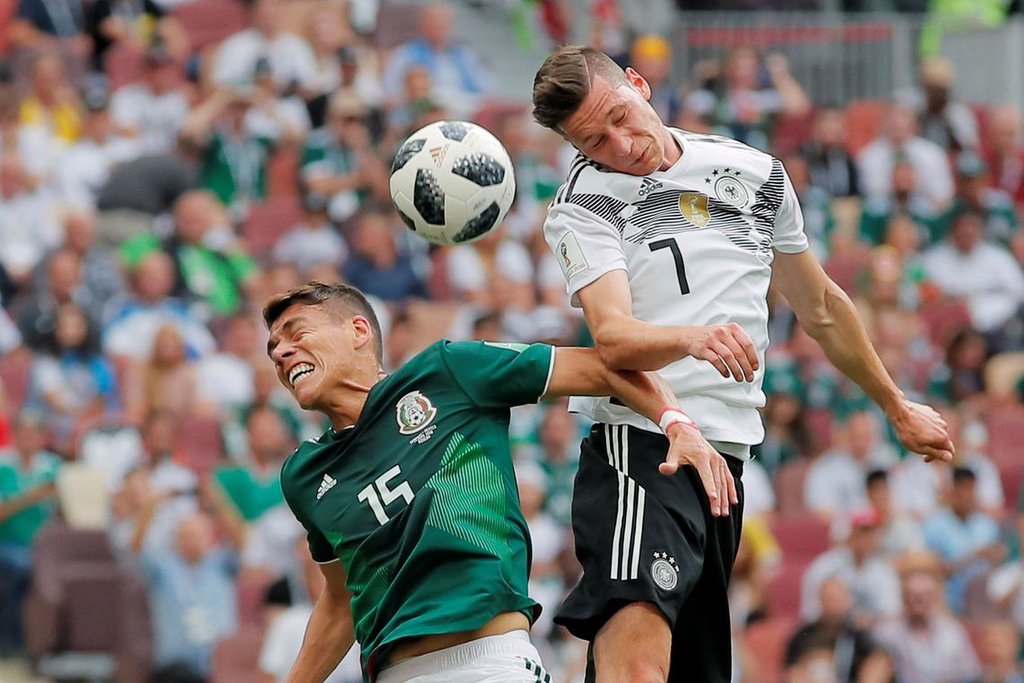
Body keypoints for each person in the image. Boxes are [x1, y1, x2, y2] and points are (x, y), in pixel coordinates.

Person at [531, 45, 954, 683]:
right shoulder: (583, 204)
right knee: (637, 672)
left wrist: (895, 404)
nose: (621, 142)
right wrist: (692, 337)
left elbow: (822, 307)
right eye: (595, 139)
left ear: (640, 85)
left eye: (620, 115)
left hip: (726, 464)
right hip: (645, 450)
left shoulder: (753, 172)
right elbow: (613, 337)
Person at [262, 281, 732, 682]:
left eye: (296, 334)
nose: (282, 353)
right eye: (273, 349)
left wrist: (676, 422)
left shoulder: (446, 373)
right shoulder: (304, 475)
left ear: (358, 331)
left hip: (492, 664)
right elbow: (341, 598)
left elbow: (603, 368)